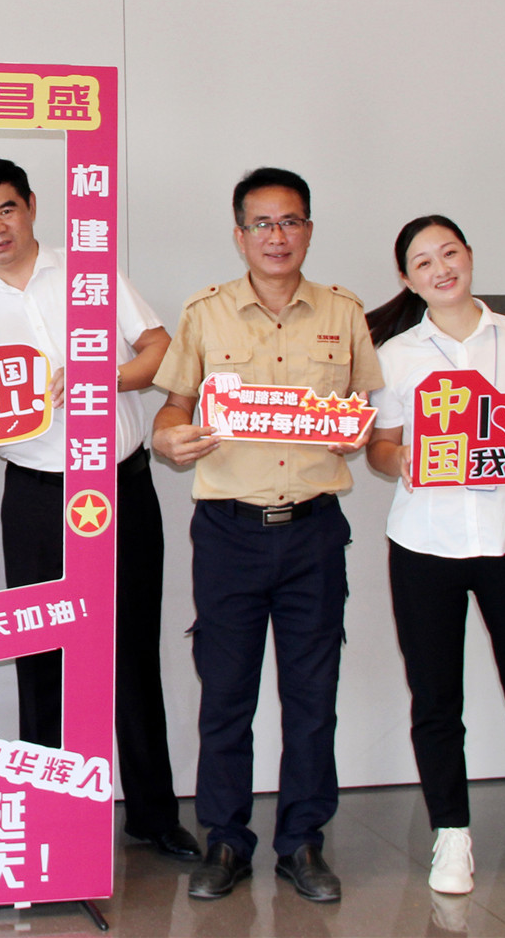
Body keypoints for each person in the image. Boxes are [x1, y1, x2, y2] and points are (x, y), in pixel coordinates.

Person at [0, 158, 200, 859]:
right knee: (40, 653)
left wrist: (100, 379)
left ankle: (152, 814)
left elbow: (160, 348)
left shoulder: (90, 274)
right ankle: (49, 816)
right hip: (35, 496)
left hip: (119, 486)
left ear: (31, 205)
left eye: (6, 209)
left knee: (131, 648)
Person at [150, 167, 381, 904]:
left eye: (290, 222)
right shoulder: (205, 313)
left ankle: (303, 843)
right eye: (262, 223)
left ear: (308, 229)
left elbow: (364, 411)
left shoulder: (344, 312)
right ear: (239, 234)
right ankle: (225, 840)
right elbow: (173, 408)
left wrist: (355, 433)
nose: (276, 237)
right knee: (227, 695)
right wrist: (168, 438)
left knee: (313, 696)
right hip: (230, 533)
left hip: (313, 530)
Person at [363, 215, 505, 896]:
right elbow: (380, 446)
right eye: (423, 262)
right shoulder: (397, 354)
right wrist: (401, 460)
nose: (441, 269)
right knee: (436, 695)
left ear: (469, 256)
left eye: (450, 253)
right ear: (407, 278)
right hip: (425, 544)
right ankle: (451, 831)